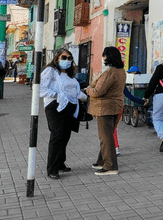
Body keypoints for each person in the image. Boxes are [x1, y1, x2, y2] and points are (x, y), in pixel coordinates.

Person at [40, 49, 87, 179]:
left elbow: (76, 92)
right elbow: (40, 88)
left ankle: (60, 163)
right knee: (57, 136)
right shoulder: (51, 71)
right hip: (55, 107)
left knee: (65, 136)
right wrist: (55, 95)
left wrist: (87, 96)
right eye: (64, 57)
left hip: (71, 108)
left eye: (69, 58)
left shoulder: (71, 75)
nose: (66, 60)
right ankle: (52, 169)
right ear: (57, 58)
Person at [85, 47, 126, 176]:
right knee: (107, 135)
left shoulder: (110, 72)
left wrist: (88, 89)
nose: (102, 58)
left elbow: (97, 91)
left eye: (104, 56)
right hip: (115, 106)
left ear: (108, 57)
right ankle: (101, 160)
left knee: (106, 137)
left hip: (105, 108)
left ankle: (110, 166)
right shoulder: (121, 71)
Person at [114, 66, 142, 155]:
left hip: (110, 108)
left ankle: (115, 147)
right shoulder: (122, 83)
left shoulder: (108, 82)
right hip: (119, 108)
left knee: (110, 130)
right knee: (113, 129)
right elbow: (130, 97)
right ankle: (115, 147)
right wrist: (142, 101)